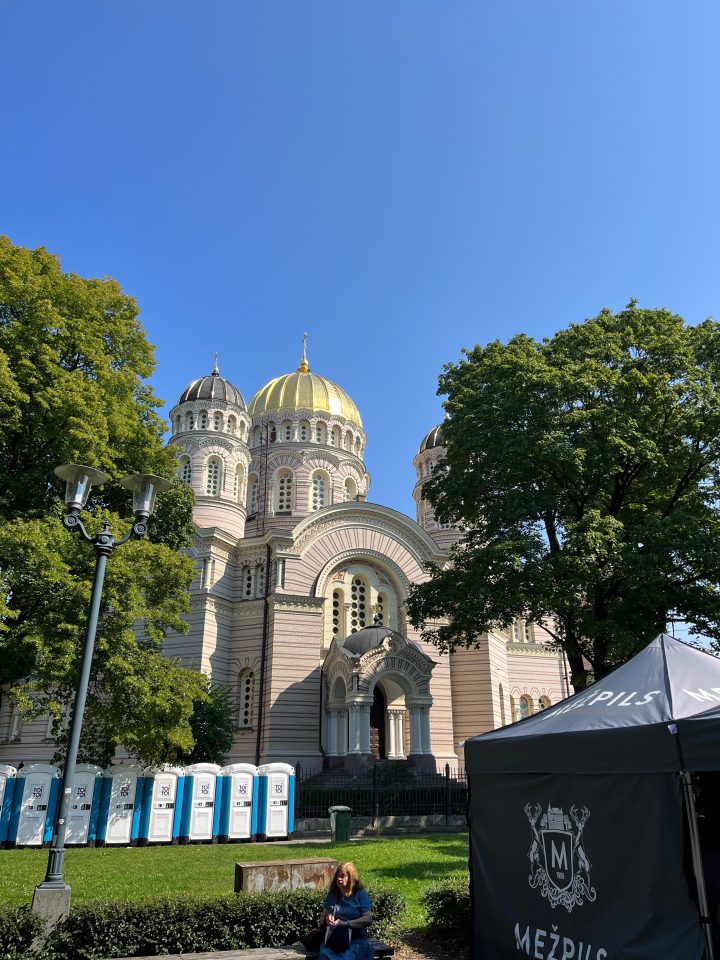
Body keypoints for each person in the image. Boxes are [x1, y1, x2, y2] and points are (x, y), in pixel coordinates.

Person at [318, 861, 373, 960]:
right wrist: (327, 918)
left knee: (347, 957)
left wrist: (346, 923)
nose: (339, 879)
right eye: (337, 876)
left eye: (342, 876)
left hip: (356, 939)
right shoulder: (333, 894)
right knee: (325, 954)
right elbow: (323, 917)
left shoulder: (360, 894)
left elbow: (368, 919)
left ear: (350, 878)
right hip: (335, 938)